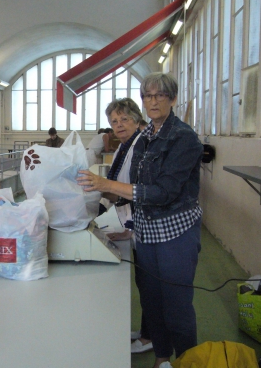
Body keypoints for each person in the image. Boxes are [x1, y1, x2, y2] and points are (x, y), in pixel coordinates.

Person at [77, 72, 203, 368]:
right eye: (148, 95)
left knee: (177, 306)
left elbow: (163, 192)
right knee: (151, 300)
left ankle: (189, 360)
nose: (153, 101)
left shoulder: (184, 138)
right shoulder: (146, 138)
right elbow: (137, 191)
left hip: (176, 233)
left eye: (160, 95)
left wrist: (106, 185)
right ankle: (161, 357)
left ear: (172, 99)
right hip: (146, 232)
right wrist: (129, 225)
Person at [98, 98, 152, 354]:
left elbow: (139, 191)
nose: (119, 125)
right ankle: (145, 330)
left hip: (150, 228)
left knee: (151, 285)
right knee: (142, 282)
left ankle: (151, 337)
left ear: (137, 119)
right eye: (114, 122)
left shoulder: (143, 145)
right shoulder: (124, 146)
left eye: (124, 119)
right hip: (136, 225)